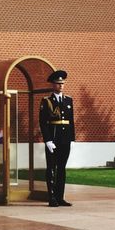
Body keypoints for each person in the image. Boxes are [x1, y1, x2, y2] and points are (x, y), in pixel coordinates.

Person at [38, 69, 75, 207]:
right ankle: (52, 197)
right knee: (51, 168)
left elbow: (71, 121)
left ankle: (60, 197)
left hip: (65, 139)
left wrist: (72, 139)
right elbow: (43, 122)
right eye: (58, 83)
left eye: (62, 83)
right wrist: (47, 140)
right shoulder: (46, 101)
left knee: (62, 168)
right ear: (53, 85)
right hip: (53, 139)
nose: (61, 86)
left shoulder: (69, 100)